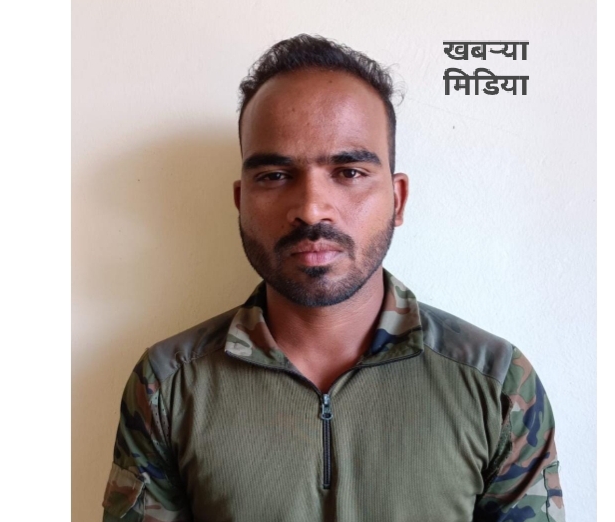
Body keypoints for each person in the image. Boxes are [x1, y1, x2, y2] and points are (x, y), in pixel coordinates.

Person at [101, 34, 565, 522]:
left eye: (349, 172)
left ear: (398, 199)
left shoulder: (498, 384)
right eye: (275, 176)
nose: (310, 208)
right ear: (241, 202)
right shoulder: (168, 384)